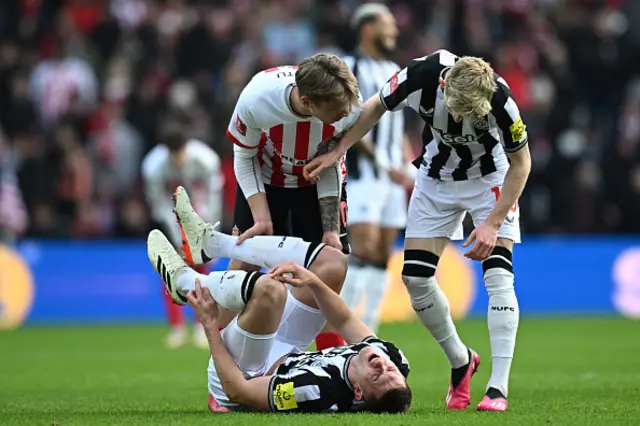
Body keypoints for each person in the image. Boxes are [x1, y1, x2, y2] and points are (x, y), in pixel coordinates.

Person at [304, 49, 532, 412]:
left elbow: (522, 164)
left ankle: (497, 389)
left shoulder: (502, 101)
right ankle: (461, 360)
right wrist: (340, 149)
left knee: (499, 277)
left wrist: (491, 223)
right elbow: (376, 106)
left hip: (491, 179)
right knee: (415, 278)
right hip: (436, 178)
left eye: (470, 112)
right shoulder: (420, 76)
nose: (460, 117)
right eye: (456, 108)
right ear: (444, 85)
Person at [147, 187, 411, 413]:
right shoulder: (391, 357)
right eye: (392, 371)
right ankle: (212, 244)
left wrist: (209, 328)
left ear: (358, 392)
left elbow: (240, 391)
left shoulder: (314, 390)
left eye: (378, 376)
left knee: (271, 290)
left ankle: (184, 284)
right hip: (290, 349)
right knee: (334, 263)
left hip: (247, 373)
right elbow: (343, 319)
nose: (383, 366)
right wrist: (313, 281)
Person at [223, 53, 363, 350]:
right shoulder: (258, 98)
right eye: (336, 110)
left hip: (314, 181)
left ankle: (331, 358)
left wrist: (330, 229)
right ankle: (223, 363)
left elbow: (330, 163)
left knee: (329, 265)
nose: (345, 114)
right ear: (309, 103)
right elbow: (243, 157)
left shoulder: (347, 104)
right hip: (264, 179)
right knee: (244, 263)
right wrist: (261, 216)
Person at [340, 3, 415, 332]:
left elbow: (398, 127)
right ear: (367, 29)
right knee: (363, 246)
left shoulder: (394, 69)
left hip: (390, 177)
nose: (394, 31)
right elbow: (350, 123)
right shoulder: (349, 67)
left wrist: (408, 165)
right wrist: (384, 164)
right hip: (362, 175)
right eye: (387, 25)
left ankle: (369, 327)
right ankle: (344, 324)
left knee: (383, 250)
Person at [141, 121, 224, 349]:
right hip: (170, 219)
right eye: (173, 154)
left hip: (201, 214)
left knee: (201, 271)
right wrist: (176, 238)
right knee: (168, 270)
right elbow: (157, 204)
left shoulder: (206, 159)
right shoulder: (153, 166)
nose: (178, 159)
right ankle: (177, 329)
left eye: (181, 153)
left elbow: (213, 196)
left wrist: (208, 230)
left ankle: (201, 326)